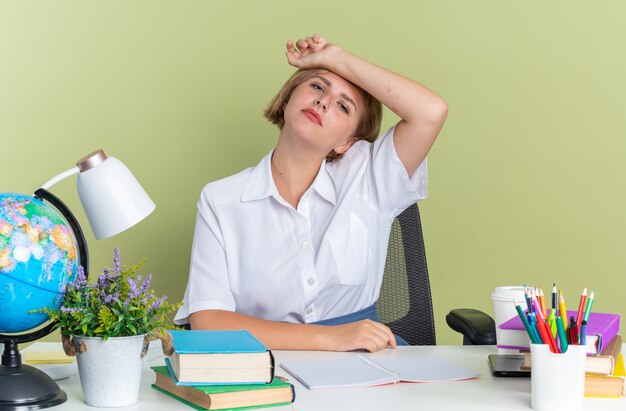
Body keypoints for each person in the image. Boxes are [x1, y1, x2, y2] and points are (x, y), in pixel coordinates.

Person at [174, 34, 448, 353]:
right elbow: (208, 321)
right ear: (289, 97)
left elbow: (431, 111)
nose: (324, 102)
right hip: (266, 363)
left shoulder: (369, 175)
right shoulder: (221, 199)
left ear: (346, 142)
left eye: (343, 106)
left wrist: (336, 59)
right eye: (317, 86)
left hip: (363, 362)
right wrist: (329, 338)